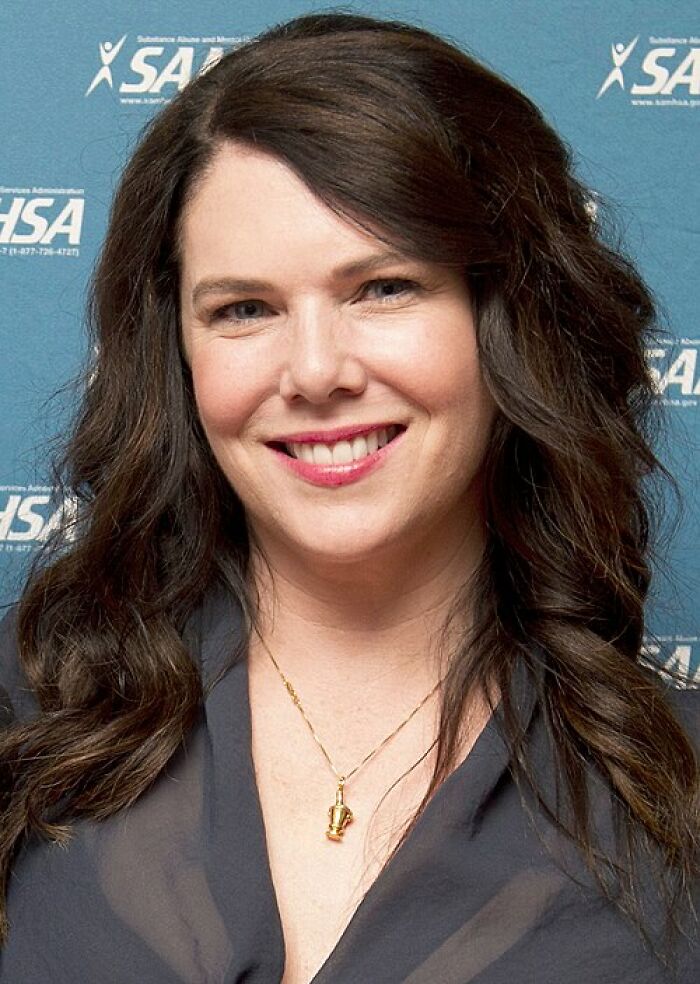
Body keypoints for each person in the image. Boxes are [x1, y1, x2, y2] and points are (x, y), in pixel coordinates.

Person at [0, 11, 697, 984]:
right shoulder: (26, 723)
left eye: (382, 288)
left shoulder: (674, 800)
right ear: (178, 355)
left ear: (511, 321)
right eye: (244, 308)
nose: (315, 371)